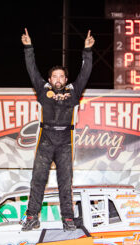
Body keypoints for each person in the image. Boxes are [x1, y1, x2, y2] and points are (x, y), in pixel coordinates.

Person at [20, 28, 94, 231]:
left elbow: (85, 73)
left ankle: (68, 219)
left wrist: (87, 51)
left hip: (65, 140)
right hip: (45, 140)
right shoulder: (43, 90)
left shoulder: (74, 91)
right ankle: (32, 217)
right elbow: (32, 69)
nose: (58, 79)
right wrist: (28, 47)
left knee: (65, 182)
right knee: (38, 180)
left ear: (66, 80)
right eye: (55, 76)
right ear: (50, 79)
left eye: (62, 76)